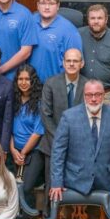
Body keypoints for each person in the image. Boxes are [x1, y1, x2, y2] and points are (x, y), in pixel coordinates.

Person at [49, 79, 110, 217]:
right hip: (74, 180)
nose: (94, 99)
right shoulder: (69, 116)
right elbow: (58, 152)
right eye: (89, 95)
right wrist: (56, 182)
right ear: (84, 96)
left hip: (105, 180)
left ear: (103, 95)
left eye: (98, 94)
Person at [39, 47, 86, 194]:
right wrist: (60, 139)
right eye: (68, 61)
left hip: (80, 145)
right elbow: (46, 115)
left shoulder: (88, 85)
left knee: (76, 185)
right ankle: (49, 215)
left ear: (82, 64)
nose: (72, 64)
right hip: (53, 143)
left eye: (75, 61)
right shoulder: (50, 84)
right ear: (63, 63)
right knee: (52, 183)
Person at [10, 64, 46, 212]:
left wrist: (23, 153)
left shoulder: (39, 103)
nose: (23, 82)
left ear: (33, 81)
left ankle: (28, 216)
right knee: (10, 185)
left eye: (27, 79)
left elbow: (37, 132)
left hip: (33, 151)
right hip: (13, 150)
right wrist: (13, 150)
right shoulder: (12, 100)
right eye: (20, 79)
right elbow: (8, 128)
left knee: (26, 186)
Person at [78, 4, 110, 102]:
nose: (96, 21)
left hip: (107, 95)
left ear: (106, 19)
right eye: (93, 18)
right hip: (82, 94)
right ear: (88, 20)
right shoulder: (78, 35)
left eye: (99, 18)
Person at [29, 0, 82, 81]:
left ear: (58, 6)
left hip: (55, 86)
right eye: (43, 3)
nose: (46, 7)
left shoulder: (69, 30)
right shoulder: (29, 22)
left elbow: (76, 63)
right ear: (37, 6)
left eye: (51, 4)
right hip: (30, 84)